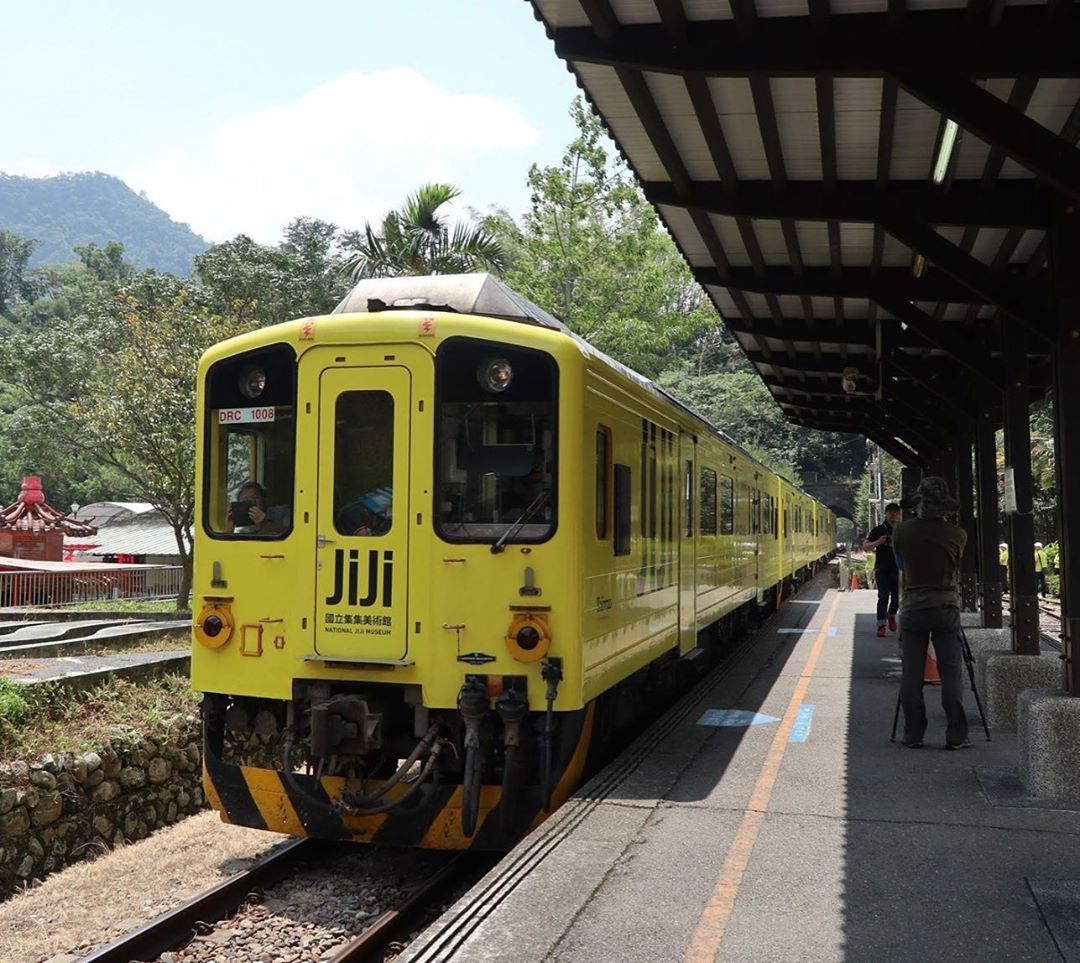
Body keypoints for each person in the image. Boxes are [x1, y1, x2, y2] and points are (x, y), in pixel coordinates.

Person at [891, 476, 969, 750]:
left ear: (919, 502)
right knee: (951, 673)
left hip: (913, 607)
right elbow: (956, 562)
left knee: (911, 673)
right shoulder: (957, 534)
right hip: (945, 607)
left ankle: (913, 734)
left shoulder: (901, 532)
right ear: (945, 505)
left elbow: (899, 559)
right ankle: (956, 735)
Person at [863, 502, 902, 637]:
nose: (894, 515)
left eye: (896, 513)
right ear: (886, 514)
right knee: (883, 595)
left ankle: (891, 615)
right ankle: (881, 625)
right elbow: (866, 547)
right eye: (891, 512)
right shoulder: (878, 530)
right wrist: (878, 542)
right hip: (882, 569)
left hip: (899, 569)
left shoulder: (902, 530)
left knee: (897, 598)